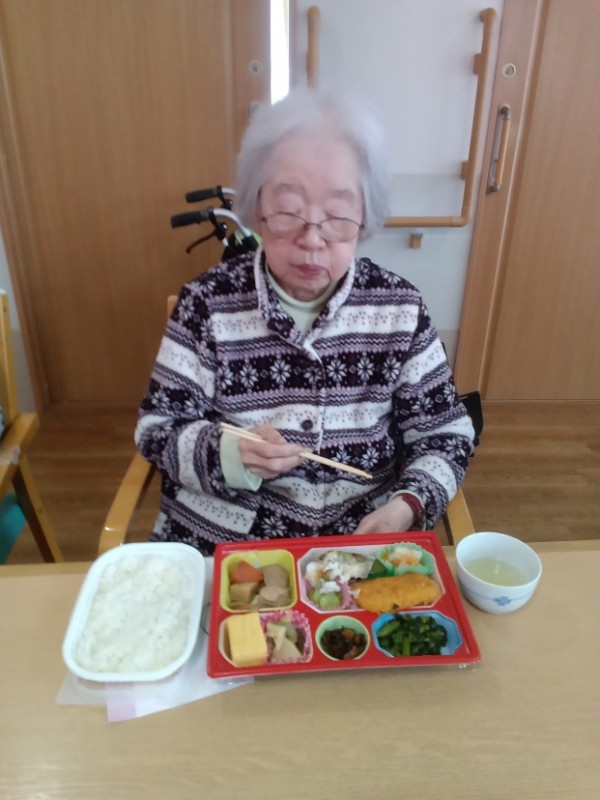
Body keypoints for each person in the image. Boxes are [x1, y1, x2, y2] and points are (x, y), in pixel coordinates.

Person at [135, 87, 475, 555]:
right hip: (227, 548)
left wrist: (407, 505)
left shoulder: (399, 310)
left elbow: (446, 435)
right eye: (289, 213)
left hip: (354, 546)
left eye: (337, 216)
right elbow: (157, 429)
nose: (312, 239)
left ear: (366, 216)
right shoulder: (206, 305)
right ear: (256, 209)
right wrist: (229, 454)